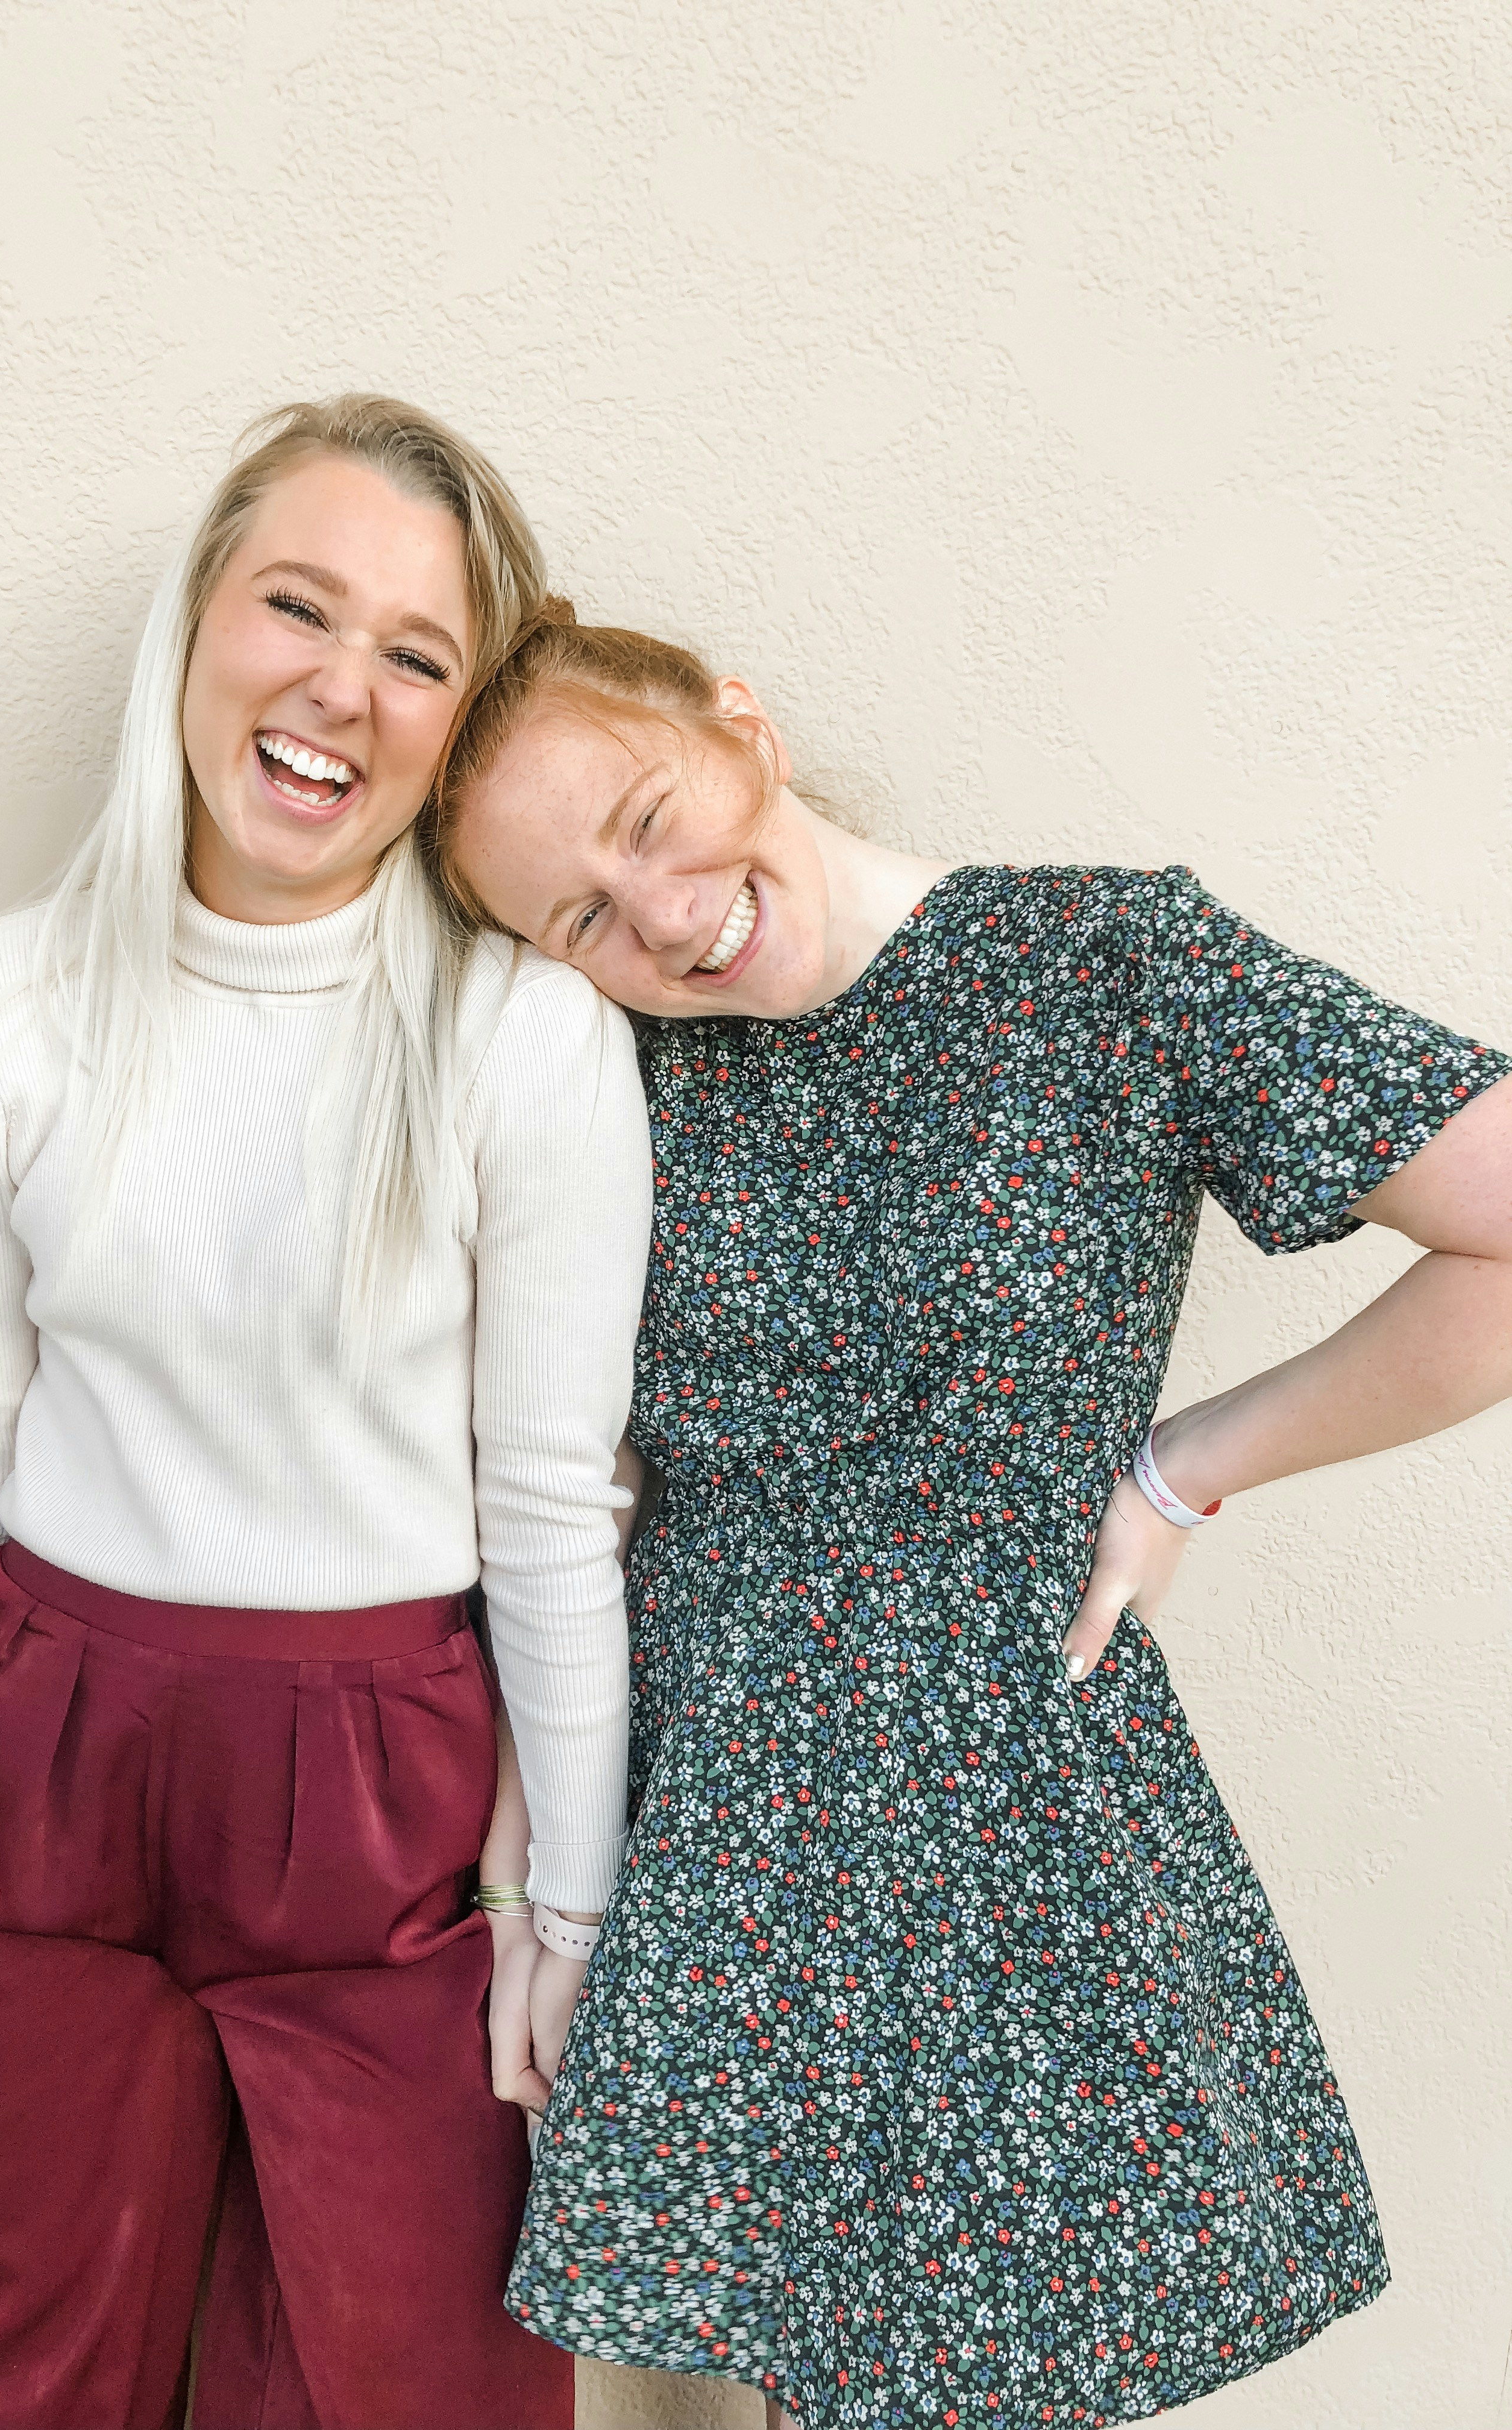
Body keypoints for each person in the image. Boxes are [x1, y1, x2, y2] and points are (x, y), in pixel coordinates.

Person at [428, 606, 1512, 2429]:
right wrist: (540, 1880)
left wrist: (1183, 1468)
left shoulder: (1108, 962)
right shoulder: (600, 1071)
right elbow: (578, 1499)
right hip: (724, 1831)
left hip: (1008, 1822)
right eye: (584, 918)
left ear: (736, 717)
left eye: (645, 820)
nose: (666, 915)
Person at [0, 403, 652, 2430]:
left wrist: (576, 1910)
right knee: (13, 2367)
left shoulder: (524, 1044)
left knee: (405, 2382)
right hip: (34, 1750)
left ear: (458, 730)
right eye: (300, 604)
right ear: (199, 622)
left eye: (417, 653)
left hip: (380, 1791)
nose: (336, 689)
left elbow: (549, 1505)